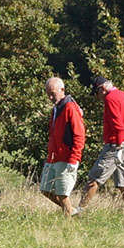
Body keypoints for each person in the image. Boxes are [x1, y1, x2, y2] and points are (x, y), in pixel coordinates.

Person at [77, 76, 124, 212]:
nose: (98, 98)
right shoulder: (123, 94)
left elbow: (117, 124)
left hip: (117, 144)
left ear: (102, 88)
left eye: (97, 93)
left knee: (94, 178)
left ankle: (79, 212)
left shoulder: (110, 98)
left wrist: (119, 144)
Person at [40, 76, 85, 217]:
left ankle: (69, 221)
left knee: (62, 194)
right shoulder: (56, 109)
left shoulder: (70, 107)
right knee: (45, 189)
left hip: (66, 158)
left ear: (62, 90)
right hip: (53, 157)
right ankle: (71, 211)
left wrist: (74, 158)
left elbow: (79, 135)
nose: (50, 97)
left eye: (53, 94)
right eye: (48, 94)